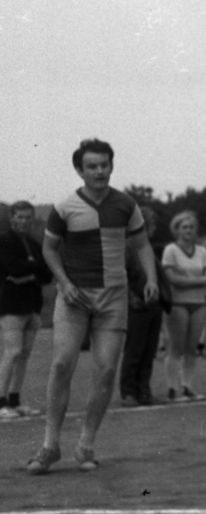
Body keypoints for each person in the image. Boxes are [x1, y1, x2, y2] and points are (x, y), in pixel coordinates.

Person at [25, 138, 161, 474]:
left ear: (111, 166)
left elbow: (142, 244)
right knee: (61, 365)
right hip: (75, 298)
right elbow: (49, 250)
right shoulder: (65, 207)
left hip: (114, 297)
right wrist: (65, 283)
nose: (99, 171)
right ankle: (49, 446)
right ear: (80, 170)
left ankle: (85, 446)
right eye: (92, 166)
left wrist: (152, 278)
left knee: (105, 370)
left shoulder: (127, 205)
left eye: (104, 165)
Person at [0, 201, 50, 420]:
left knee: (25, 354)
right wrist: (33, 268)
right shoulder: (4, 240)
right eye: (19, 217)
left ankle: (14, 400)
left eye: (28, 217)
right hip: (11, 304)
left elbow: (47, 274)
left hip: (32, 304)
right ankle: (1, 403)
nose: (23, 221)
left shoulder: (33, 243)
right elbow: (13, 268)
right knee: (12, 352)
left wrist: (29, 273)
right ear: (12, 217)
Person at [160, 209, 206, 401]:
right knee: (176, 347)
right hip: (178, 303)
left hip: (199, 303)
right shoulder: (171, 250)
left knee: (192, 348)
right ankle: (173, 389)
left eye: (191, 227)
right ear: (177, 229)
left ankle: (187, 386)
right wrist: (199, 280)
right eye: (184, 227)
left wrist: (191, 281)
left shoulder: (202, 251)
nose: (188, 230)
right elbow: (171, 278)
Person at [118, 205, 168, 407]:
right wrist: (132, 299)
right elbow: (123, 277)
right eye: (152, 223)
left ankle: (144, 392)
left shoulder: (148, 249)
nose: (154, 227)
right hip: (136, 307)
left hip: (153, 306)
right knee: (134, 351)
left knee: (149, 352)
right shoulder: (127, 247)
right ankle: (128, 393)